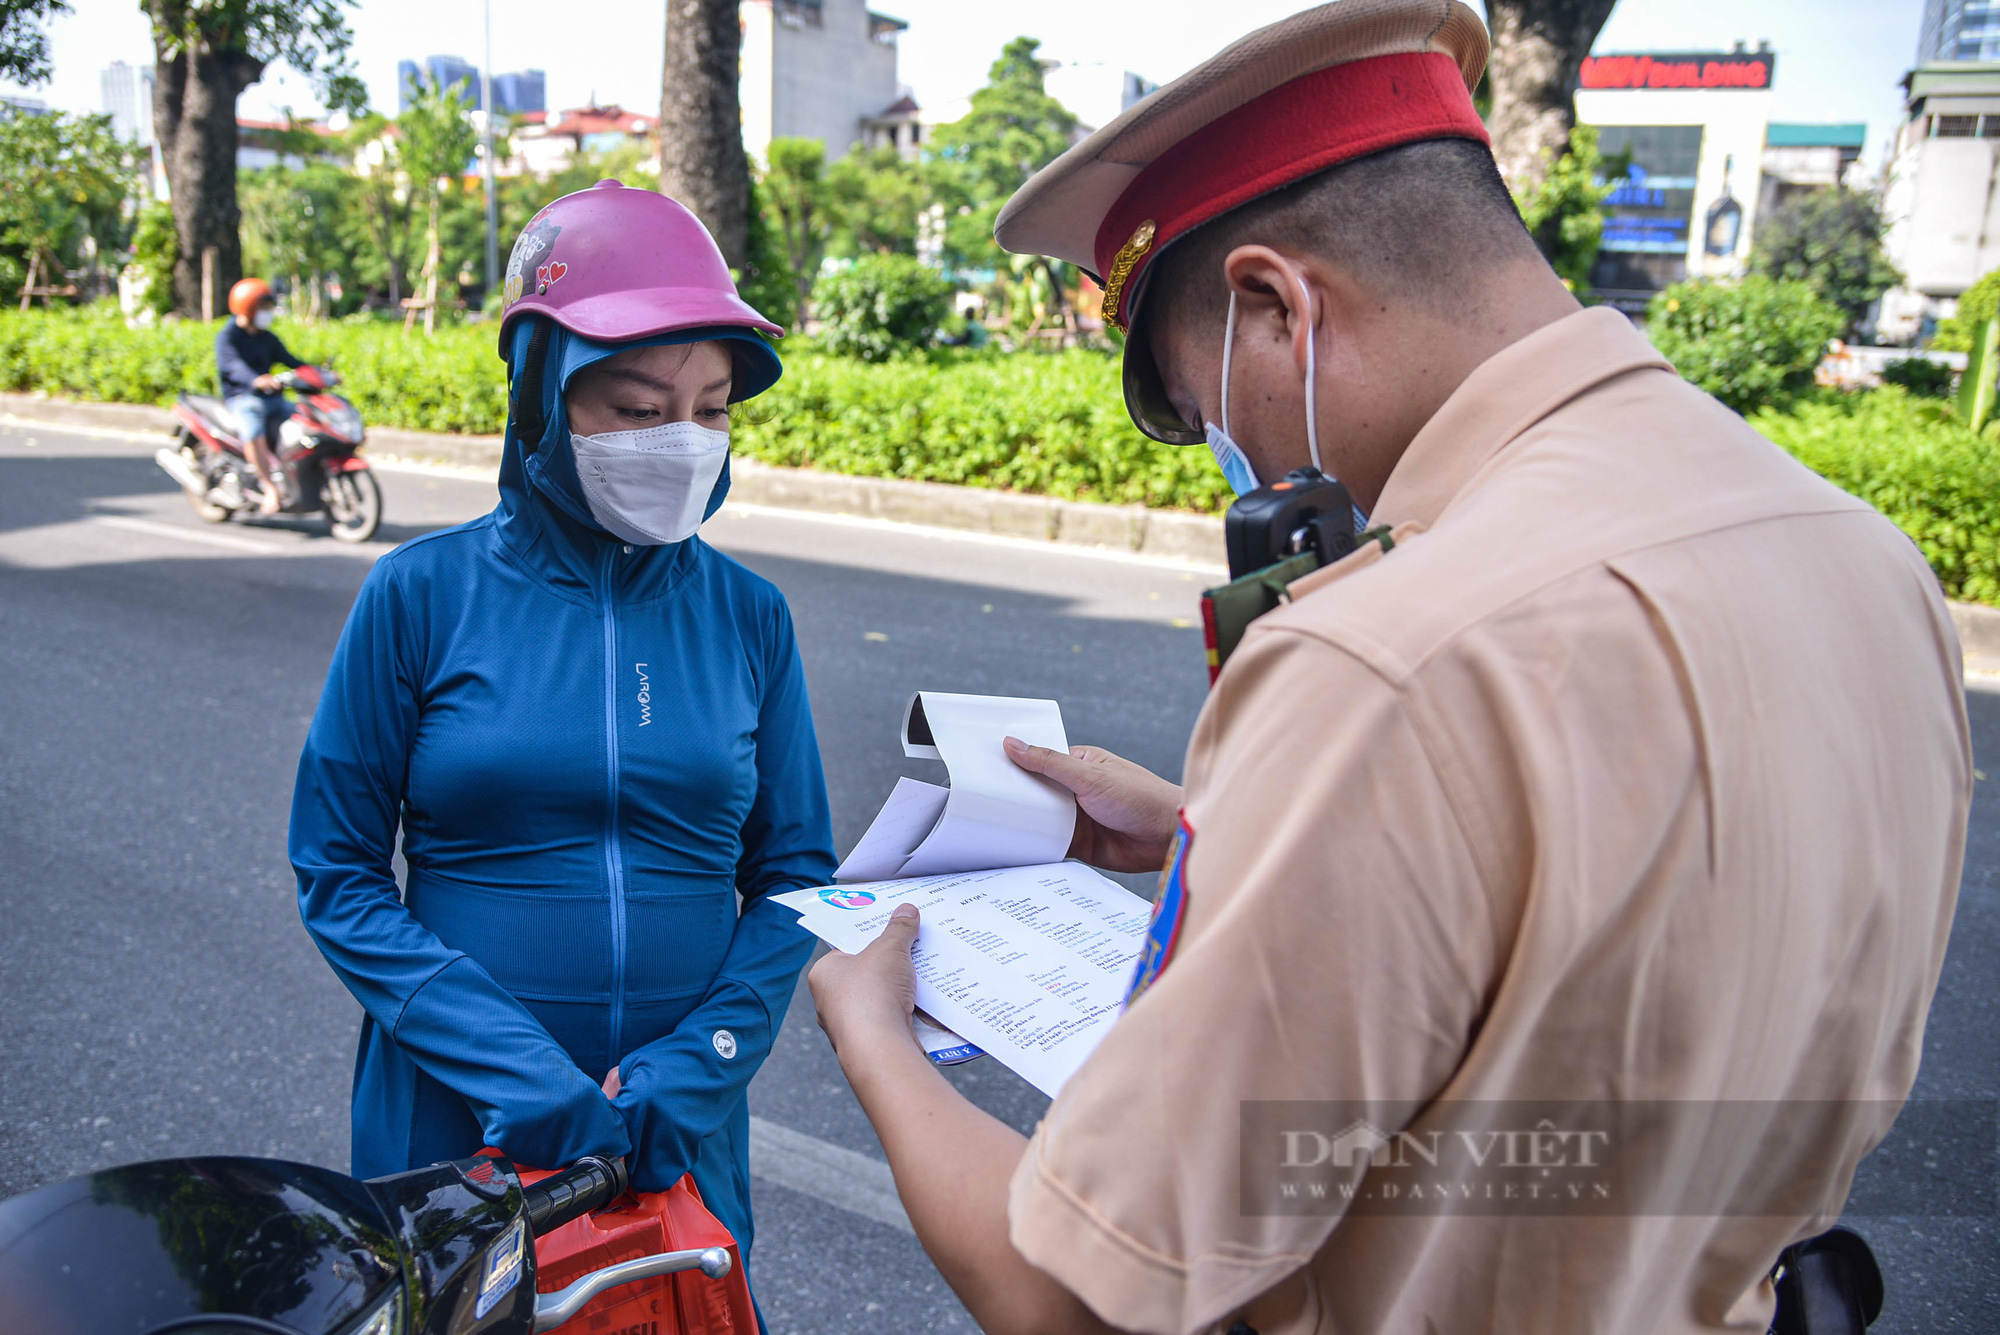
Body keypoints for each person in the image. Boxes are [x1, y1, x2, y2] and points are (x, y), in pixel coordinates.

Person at [806, 3, 1970, 1333]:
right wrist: (1219, 835)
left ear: (1273, 305)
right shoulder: (1867, 561)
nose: (1227, 457)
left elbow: (1077, 1295)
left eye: (1200, 413)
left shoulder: (1382, 658)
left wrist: (876, 1040)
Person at [289, 181, 834, 1307]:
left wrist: (709, 1061)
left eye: (713, 408)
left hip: (677, 1134)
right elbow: (337, 874)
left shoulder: (748, 617)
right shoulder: (418, 596)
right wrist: (510, 1067)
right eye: (637, 408)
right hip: (453, 1114)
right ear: (541, 398)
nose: (680, 443)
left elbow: (795, 876)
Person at [215, 277, 304, 515]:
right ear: (248, 307)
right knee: (254, 433)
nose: (267, 314)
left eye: (268, 308)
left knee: (304, 421)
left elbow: (291, 361)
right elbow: (233, 366)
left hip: (271, 398)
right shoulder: (228, 336)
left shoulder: (267, 337)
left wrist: (317, 373)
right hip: (243, 398)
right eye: (263, 308)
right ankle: (269, 488)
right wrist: (257, 379)